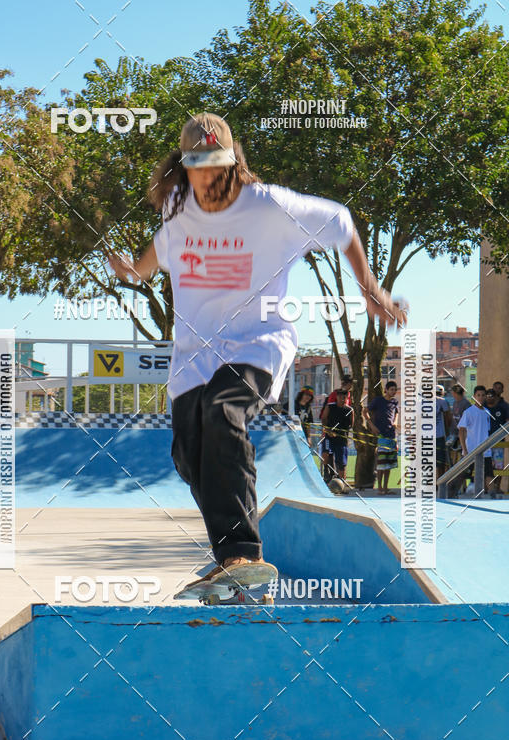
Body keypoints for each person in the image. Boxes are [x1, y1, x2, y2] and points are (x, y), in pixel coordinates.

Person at [107, 112, 405, 593]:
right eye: (197, 170)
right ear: (183, 168)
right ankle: (230, 563)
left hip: (259, 344)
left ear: (233, 164)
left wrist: (371, 290)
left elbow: (342, 222)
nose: (207, 181)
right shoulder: (177, 212)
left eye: (216, 169)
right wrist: (130, 272)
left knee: (222, 410)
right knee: (189, 454)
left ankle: (241, 553)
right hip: (191, 358)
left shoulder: (270, 206)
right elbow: (153, 258)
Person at [458, 385, 493, 494]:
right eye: (478, 395)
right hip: (471, 450)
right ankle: (451, 494)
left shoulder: (487, 412)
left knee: (489, 475)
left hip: (485, 451)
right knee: (463, 474)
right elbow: (461, 431)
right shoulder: (469, 412)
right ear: (474, 397)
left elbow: (487, 430)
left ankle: (490, 497)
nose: (481, 397)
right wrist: (464, 449)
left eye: (483, 395)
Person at [365, 381, 399, 495]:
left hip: (392, 435)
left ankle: (385, 487)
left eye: (395, 390)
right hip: (381, 435)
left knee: (389, 463)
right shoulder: (378, 401)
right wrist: (372, 426)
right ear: (386, 389)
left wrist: (395, 422)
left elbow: (397, 413)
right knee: (381, 463)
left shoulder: (395, 402)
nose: (393, 392)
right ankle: (379, 488)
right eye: (391, 389)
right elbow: (365, 412)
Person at [323, 389, 354, 482]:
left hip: (342, 439)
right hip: (329, 437)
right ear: (336, 397)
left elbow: (351, 425)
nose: (342, 399)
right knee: (326, 452)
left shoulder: (350, 410)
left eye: (344, 397)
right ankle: (326, 470)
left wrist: (343, 431)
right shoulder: (330, 407)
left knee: (341, 463)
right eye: (340, 397)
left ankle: (342, 483)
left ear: (347, 398)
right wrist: (328, 430)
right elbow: (324, 418)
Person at [485, 388, 508, 494]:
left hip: (499, 443)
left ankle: (497, 487)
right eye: (488, 396)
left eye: (492, 396)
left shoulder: (501, 409)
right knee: (486, 466)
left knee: (498, 466)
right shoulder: (483, 409)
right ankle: (486, 488)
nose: (490, 398)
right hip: (485, 444)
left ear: (495, 397)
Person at [435, 384, 452, 480]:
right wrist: (448, 432)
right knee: (441, 461)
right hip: (440, 435)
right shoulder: (443, 402)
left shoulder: (423, 402)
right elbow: (447, 419)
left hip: (428, 436)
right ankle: (440, 480)